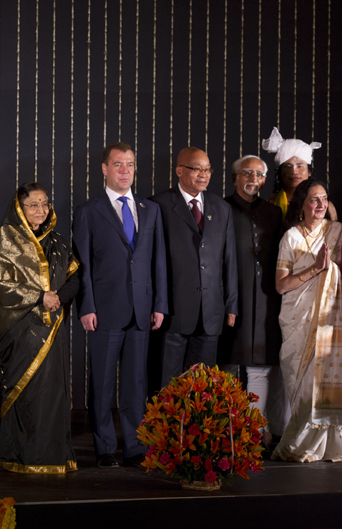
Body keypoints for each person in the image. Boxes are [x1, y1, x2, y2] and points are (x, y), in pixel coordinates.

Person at [72, 142, 168, 468]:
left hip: (141, 310)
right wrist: (86, 306)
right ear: (104, 169)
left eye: (129, 164)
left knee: (135, 384)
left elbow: (158, 262)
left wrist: (159, 304)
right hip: (104, 310)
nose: (125, 170)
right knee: (101, 384)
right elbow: (82, 264)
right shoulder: (88, 211)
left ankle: (134, 446)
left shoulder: (150, 209)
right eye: (118, 165)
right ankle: (103, 447)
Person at [0, 182, 79, 473]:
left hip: (52, 326)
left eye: (45, 204)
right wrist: (41, 297)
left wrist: (56, 299)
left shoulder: (59, 242)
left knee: (52, 391)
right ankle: (20, 456)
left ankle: (52, 456)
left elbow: (74, 278)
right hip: (21, 326)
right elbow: (3, 284)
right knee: (25, 390)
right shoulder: (8, 238)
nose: (40, 210)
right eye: (33, 205)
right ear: (20, 208)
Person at [149, 147, 238, 386]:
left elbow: (228, 260)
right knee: (167, 386)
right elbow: (150, 262)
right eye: (197, 168)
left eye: (208, 169)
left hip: (210, 314)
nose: (204, 174)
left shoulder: (222, 208)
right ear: (179, 170)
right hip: (171, 314)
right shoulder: (157, 205)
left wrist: (231, 305)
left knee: (204, 388)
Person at [217, 155, 286, 447]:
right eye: (247, 173)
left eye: (259, 174)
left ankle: (254, 434)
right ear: (235, 178)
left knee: (261, 366)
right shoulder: (221, 209)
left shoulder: (273, 213)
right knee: (228, 365)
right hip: (229, 299)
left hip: (266, 300)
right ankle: (225, 431)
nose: (254, 179)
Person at [272, 179, 342, 462]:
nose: (320, 204)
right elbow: (280, 286)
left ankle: (331, 445)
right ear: (301, 205)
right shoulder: (291, 237)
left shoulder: (337, 232)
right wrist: (314, 269)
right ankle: (300, 444)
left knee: (327, 382)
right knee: (300, 387)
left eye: (324, 198)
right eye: (314, 199)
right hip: (297, 319)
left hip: (330, 319)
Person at [262, 127, 337, 221]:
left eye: (300, 166)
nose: (294, 171)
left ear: (309, 172)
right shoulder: (269, 204)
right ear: (280, 172)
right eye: (288, 167)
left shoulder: (324, 206)